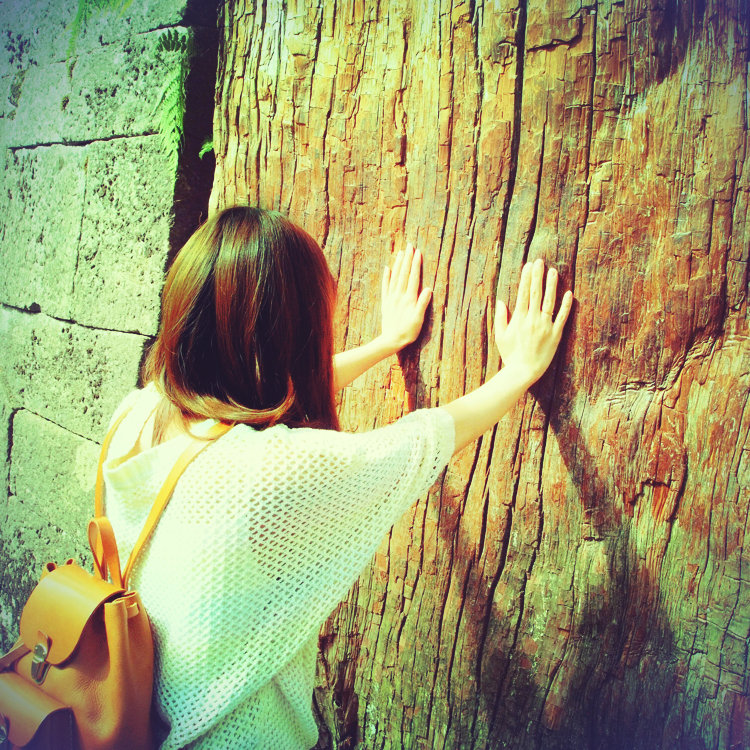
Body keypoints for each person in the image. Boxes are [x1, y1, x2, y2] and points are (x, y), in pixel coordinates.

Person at [100, 205, 573, 749]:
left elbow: (254, 395)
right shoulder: (264, 477)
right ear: (292, 333)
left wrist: (385, 343)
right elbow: (417, 442)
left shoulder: (138, 413)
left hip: (140, 719)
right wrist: (519, 372)